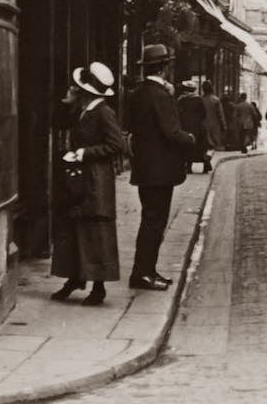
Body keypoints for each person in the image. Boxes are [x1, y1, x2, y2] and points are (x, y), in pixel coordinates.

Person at [51, 62, 123, 306]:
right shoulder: (83, 110)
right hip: (82, 178)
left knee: (95, 232)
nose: (74, 89)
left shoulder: (103, 112)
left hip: (96, 180)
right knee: (75, 229)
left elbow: (116, 145)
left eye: (77, 88)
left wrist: (83, 153)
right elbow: (58, 121)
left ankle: (98, 287)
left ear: (88, 92)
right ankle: (75, 278)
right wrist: (68, 102)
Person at [127, 44, 195, 291]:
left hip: (144, 169)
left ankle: (145, 271)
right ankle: (143, 274)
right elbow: (171, 132)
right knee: (154, 223)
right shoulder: (161, 95)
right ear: (165, 68)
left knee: (149, 220)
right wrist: (190, 139)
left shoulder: (137, 93)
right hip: (160, 171)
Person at [177, 80, 208, 173]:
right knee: (200, 146)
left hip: (184, 126)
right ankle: (205, 165)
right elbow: (203, 113)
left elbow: (177, 113)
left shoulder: (181, 100)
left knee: (187, 146)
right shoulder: (198, 99)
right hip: (197, 126)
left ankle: (188, 166)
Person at [201, 79, 226, 166]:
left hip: (202, 126)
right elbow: (220, 115)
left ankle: (205, 161)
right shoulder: (216, 100)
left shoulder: (200, 99)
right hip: (214, 127)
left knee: (204, 146)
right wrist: (223, 126)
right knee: (212, 146)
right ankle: (207, 160)